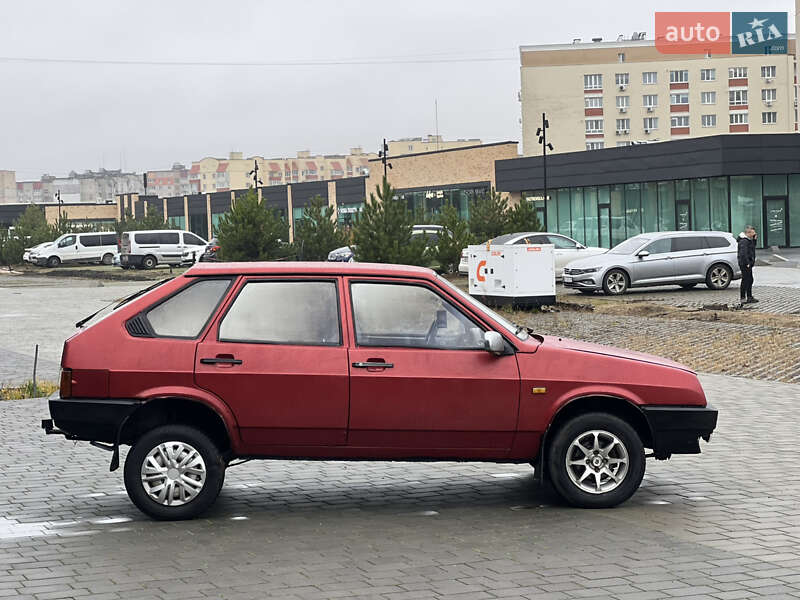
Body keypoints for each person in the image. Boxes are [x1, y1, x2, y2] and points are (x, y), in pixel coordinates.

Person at [737, 225, 757, 304]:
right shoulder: (744, 241)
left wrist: (754, 240)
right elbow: (743, 253)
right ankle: (743, 298)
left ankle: (749, 297)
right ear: (748, 233)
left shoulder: (749, 240)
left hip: (749, 263)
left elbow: (752, 248)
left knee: (750, 279)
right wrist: (747, 262)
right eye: (753, 233)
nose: (754, 234)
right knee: (745, 280)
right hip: (744, 263)